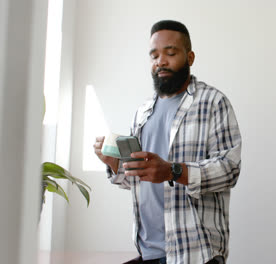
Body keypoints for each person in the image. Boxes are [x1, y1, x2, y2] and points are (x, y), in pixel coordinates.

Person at [93, 20, 241, 264]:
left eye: (170, 53)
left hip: (195, 252)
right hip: (149, 250)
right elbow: (139, 180)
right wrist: (114, 164)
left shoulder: (214, 102)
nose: (161, 61)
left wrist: (173, 170)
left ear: (190, 57)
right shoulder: (143, 113)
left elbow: (229, 170)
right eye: (154, 55)